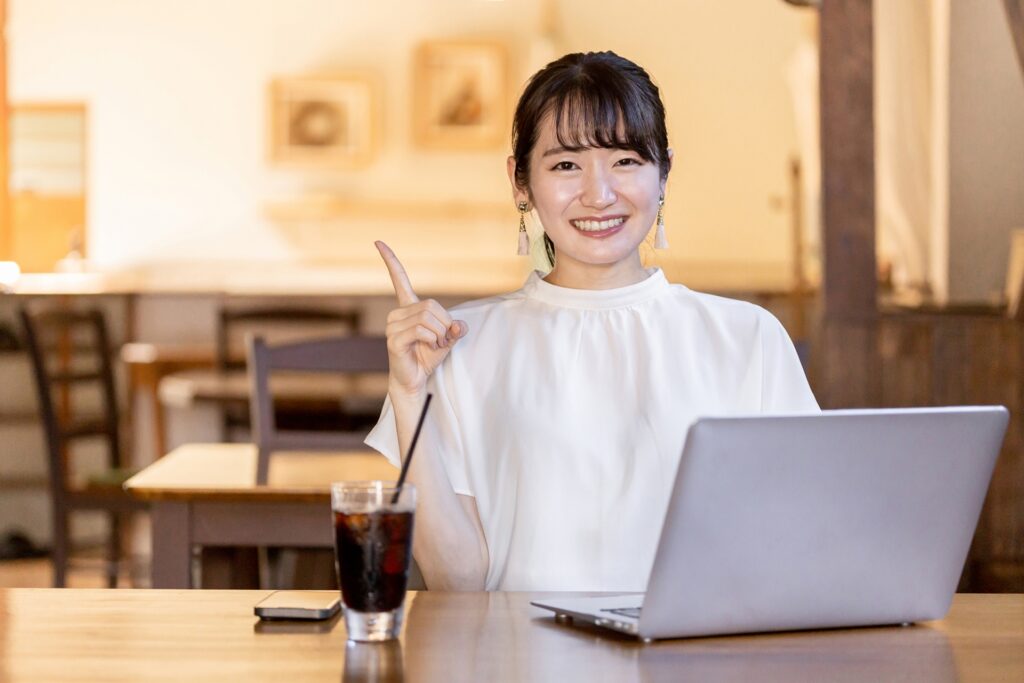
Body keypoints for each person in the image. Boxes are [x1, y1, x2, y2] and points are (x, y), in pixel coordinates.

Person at [366, 51, 819, 592]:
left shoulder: (748, 338)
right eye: (565, 165)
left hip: (691, 662)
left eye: (625, 161)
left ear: (664, 172)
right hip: (519, 665)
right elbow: (458, 580)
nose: (599, 194)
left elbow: (795, 543)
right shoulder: (459, 346)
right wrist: (408, 392)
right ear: (520, 182)